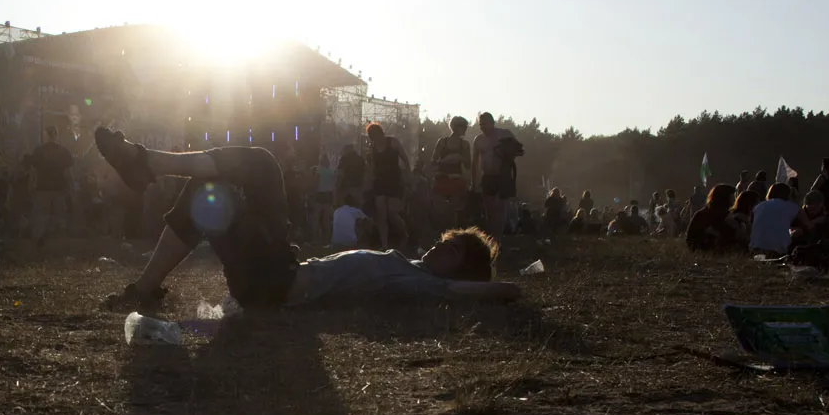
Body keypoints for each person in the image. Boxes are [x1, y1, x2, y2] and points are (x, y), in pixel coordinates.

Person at [91, 127, 520, 312]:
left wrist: (489, 288)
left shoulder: (425, 284)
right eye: (448, 239)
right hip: (274, 271)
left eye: (453, 249)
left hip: (274, 284)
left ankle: (147, 162)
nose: (443, 245)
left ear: (463, 271)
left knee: (257, 165)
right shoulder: (407, 265)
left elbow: (490, 289)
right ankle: (144, 289)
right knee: (215, 189)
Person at [472, 112, 524, 236]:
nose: (483, 127)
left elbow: (520, 150)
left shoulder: (504, 134)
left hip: (503, 176)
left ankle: (498, 239)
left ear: (492, 123)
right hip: (487, 176)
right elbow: (474, 162)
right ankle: (492, 238)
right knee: (489, 211)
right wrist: (474, 182)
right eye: (481, 125)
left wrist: (506, 151)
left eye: (485, 124)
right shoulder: (478, 140)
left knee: (500, 209)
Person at [365, 122, 410, 250]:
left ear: (380, 133)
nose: (375, 140)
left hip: (394, 181)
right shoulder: (373, 148)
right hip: (380, 182)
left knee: (392, 212)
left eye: (375, 136)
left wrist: (408, 174)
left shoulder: (393, 142)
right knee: (381, 214)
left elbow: (405, 158)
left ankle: (404, 234)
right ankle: (384, 245)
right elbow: (372, 167)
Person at [31, 125, 73, 249]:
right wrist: (72, 187)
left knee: (41, 216)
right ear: (56, 135)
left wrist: (32, 184)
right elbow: (68, 173)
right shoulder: (63, 151)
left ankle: (39, 243)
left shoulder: (39, 150)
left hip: (42, 188)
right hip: (59, 189)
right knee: (59, 216)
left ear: (46, 134)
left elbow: (33, 170)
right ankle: (56, 244)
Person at [748, 183, 807, 255]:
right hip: (778, 250)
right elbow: (808, 225)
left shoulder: (759, 205)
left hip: (754, 248)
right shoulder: (792, 206)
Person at [685, 184, 738, 251]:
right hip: (702, 248)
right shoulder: (706, 214)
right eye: (732, 196)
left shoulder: (724, 213)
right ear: (724, 197)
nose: (734, 198)